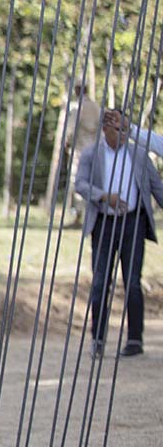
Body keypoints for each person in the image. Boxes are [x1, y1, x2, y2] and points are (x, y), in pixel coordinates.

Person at [74, 108, 163, 359]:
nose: (123, 134)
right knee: (101, 282)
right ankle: (98, 339)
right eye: (118, 129)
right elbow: (80, 183)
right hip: (103, 224)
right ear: (105, 129)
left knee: (133, 282)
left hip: (132, 224)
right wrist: (103, 196)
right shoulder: (92, 154)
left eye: (125, 129)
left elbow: (157, 187)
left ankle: (135, 340)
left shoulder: (139, 154)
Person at [62, 81, 103, 224]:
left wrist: (66, 143)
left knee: (77, 181)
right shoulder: (96, 107)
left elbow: (70, 130)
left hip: (79, 151)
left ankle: (78, 216)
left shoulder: (78, 107)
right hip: (95, 150)